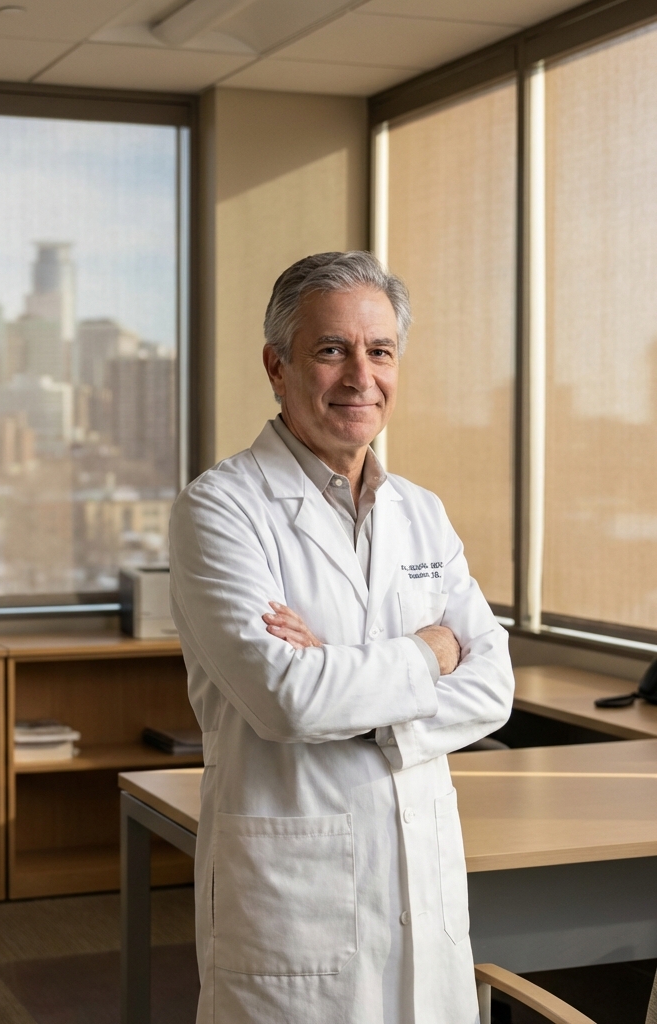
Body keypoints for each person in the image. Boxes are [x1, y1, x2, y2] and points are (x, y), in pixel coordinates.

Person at [168, 251, 514, 1024]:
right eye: (331, 350)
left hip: (422, 895)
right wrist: (429, 652)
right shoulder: (221, 511)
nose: (361, 375)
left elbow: (494, 688)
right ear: (277, 365)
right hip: (294, 915)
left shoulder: (422, 512)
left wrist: (340, 673)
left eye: (380, 350)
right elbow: (286, 701)